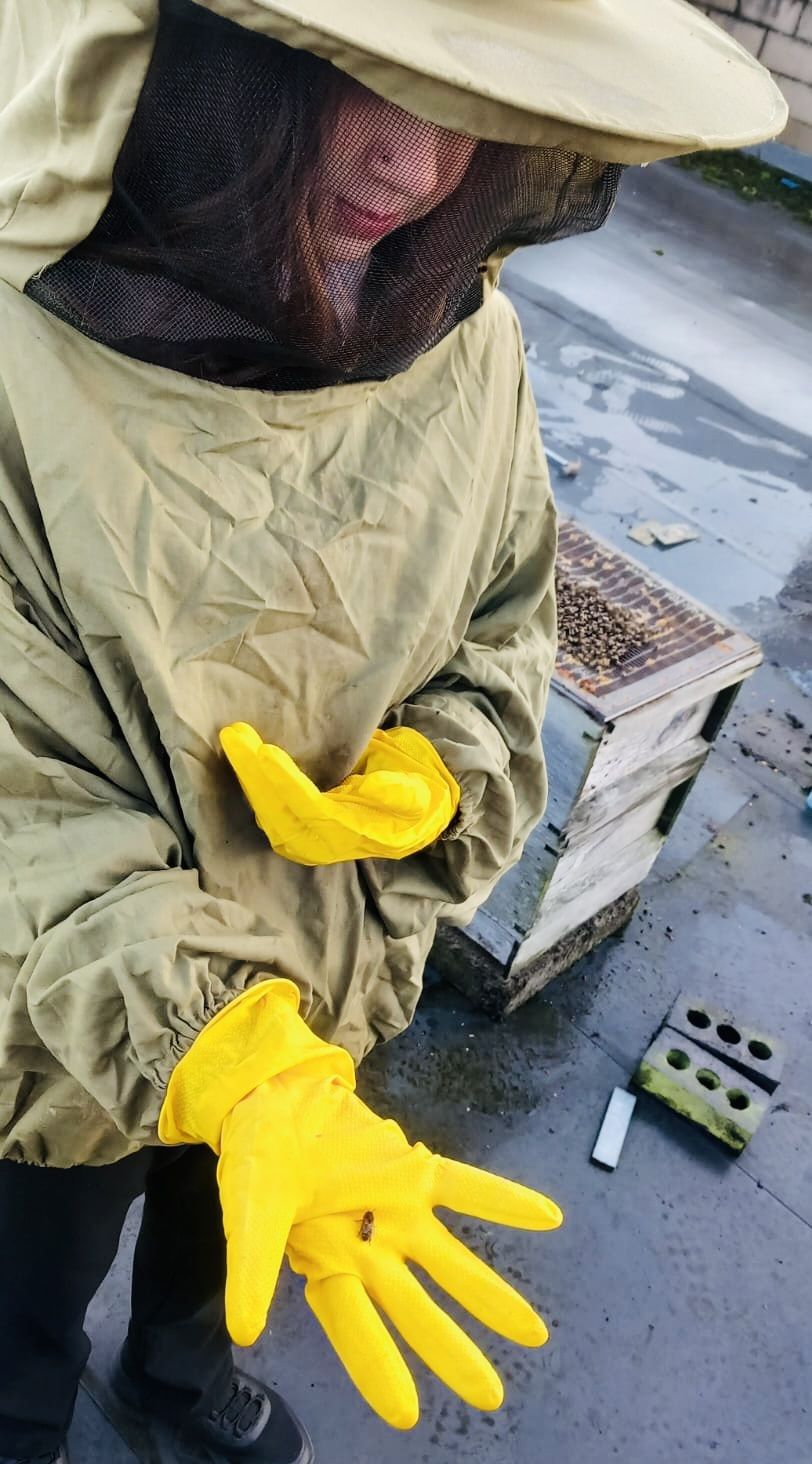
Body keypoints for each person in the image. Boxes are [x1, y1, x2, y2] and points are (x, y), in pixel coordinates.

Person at [0, 2, 784, 1461]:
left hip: (317, 952)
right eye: (354, 82)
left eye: (467, 105)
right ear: (198, 65)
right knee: (27, 1262)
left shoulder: (457, 326)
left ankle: (174, 1375)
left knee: (238, 1225)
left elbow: (504, 607)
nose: (414, 170)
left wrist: (445, 764)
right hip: (79, 1003)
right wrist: (202, 1043)